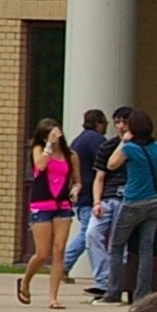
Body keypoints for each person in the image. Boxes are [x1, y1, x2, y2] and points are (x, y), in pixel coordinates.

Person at [101, 108, 157, 305]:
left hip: (132, 202)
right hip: (153, 202)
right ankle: (142, 294)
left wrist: (123, 141)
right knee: (146, 250)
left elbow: (111, 164)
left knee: (116, 246)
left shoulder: (130, 148)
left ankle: (113, 292)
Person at [17, 119, 72, 308]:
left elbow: (77, 179)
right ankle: (25, 281)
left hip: (62, 205)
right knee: (42, 253)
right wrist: (49, 144)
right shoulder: (39, 150)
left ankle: (53, 297)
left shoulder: (69, 154)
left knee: (59, 249)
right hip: (42, 204)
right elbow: (40, 166)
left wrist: (77, 188)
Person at [65, 108, 112, 292]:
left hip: (80, 194)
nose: (106, 127)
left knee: (87, 232)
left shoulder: (78, 140)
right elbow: (106, 162)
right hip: (90, 195)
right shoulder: (96, 140)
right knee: (88, 233)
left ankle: (64, 265)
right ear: (98, 123)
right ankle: (64, 264)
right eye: (105, 123)